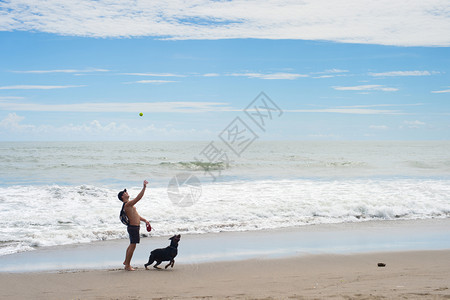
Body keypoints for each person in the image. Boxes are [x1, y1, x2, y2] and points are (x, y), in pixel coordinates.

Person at [118, 180, 151, 271]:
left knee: (131, 245)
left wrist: (144, 220)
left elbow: (136, 215)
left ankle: (126, 261)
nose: (127, 192)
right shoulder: (127, 204)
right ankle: (128, 266)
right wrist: (144, 187)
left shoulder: (130, 206)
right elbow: (138, 198)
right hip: (133, 228)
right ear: (122, 196)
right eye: (125, 192)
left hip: (134, 227)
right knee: (133, 246)